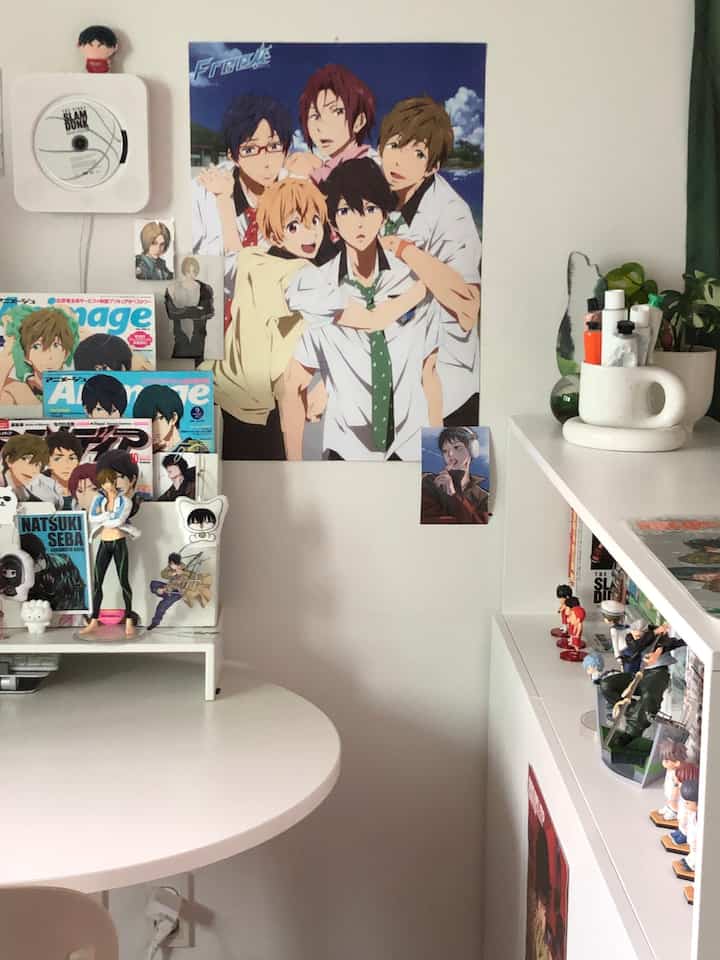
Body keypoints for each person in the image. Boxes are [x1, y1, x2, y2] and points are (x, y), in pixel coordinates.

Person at [280, 157, 439, 461]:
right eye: (345, 211)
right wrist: (294, 467)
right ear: (332, 221)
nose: (359, 221)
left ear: (384, 213)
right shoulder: (316, 285)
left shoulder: (410, 276)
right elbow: (293, 383)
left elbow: (429, 374)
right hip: (346, 447)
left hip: (410, 446)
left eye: (369, 208)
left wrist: (437, 465)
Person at [204, 176, 331, 459]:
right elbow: (340, 327)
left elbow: (232, 252)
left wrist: (223, 200)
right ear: (274, 233)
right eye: (294, 226)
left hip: (226, 391)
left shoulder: (252, 259)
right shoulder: (303, 274)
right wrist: (326, 388)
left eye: (315, 221)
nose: (309, 234)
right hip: (260, 403)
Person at [378, 97, 482, 426]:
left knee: (445, 460)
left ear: (432, 167)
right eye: (395, 145)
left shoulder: (452, 214)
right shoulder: (377, 194)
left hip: (448, 383)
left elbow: (468, 306)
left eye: (418, 153)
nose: (400, 161)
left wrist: (406, 251)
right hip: (391, 374)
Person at [192, 94, 293, 306]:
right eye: (250, 149)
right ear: (233, 155)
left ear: (286, 149)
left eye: (274, 146)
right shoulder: (204, 192)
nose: (265, 161)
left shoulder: (297, 194)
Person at [287, 64, 377, 183]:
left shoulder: (366, 170)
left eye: (336, 112)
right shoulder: (326, 168)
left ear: (359, 122)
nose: (321, 126)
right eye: (315, 115)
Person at [80, 467, 140, 637]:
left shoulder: (125, 501)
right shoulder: (99, 499)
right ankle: (94, 620)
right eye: (103, 483)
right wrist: (107, 516)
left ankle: (129, 620)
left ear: (114, 481)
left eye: (108, 481)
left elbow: (118, 521)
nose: (107, 485)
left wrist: (104, 518)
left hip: (118, 541)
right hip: (104, 542)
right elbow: (92, 517)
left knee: (124, 582)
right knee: (97, 582)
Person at [0, 305, 79, 403]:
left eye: (56, 345)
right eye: (36, 346)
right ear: (26, 356)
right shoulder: (15, 390)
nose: (48, 356)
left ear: (66, 354)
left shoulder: (77, 388)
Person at [421, 426, 488, 523]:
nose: (450, 454)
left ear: (472, 450)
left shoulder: (483, 497)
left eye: (457, 447)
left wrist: (453, 495)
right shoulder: (429, 482)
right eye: (445, 451)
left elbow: (480, 525)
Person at [20, 531, 87, 612]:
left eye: (29, 565)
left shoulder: (64, 563)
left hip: (70, 612)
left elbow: (77, 590)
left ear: (40, 557)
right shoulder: (25, 575)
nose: (26, 570)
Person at [132, 384, 209, 453]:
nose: (150, 427)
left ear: (173, 418)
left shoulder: (195, 449)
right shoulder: (149, 451)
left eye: (156, 419)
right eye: (144, 422)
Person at [164, 257, 214, 360]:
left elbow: (208, 312)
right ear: (184, 271)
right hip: (180, 335)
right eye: (188, 271)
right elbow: (172, 313)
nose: (191, 274)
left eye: (194, 271)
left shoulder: (205, 289)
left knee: (198, 365)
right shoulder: (172, 288)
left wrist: (183, 310)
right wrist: (195, 309)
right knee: (178, 364)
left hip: (198, 336)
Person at [0, 434, 58, 504]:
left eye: (37, 464)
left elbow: (56, 502)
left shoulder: (36, 484)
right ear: (9, 459)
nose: (32, 470)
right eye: (27, 461)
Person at [45, 430, 82, 509]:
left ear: (78, 462)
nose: (66, 465)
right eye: (58, 459)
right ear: (47, 462)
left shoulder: (88, 487)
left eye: (72, 458)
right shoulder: (34, 490)